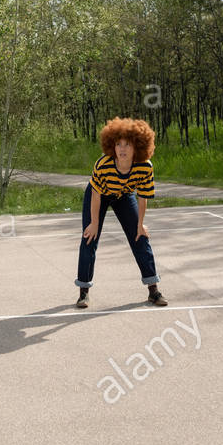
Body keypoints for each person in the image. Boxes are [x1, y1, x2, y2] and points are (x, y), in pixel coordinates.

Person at [75, 117, 166, 309]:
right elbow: (96, 195)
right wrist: (94, 223)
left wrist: (140, 224)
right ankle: (83, 292)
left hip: (124, 195)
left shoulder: (144, 167)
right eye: (118, 144)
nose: (122, 149)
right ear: (112, 146)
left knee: (140, 237)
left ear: (138, 147)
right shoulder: (103, 164)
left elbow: (142, 197)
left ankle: (153, 290)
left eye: (127, 145)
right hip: (99, 195)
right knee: (89, 238)